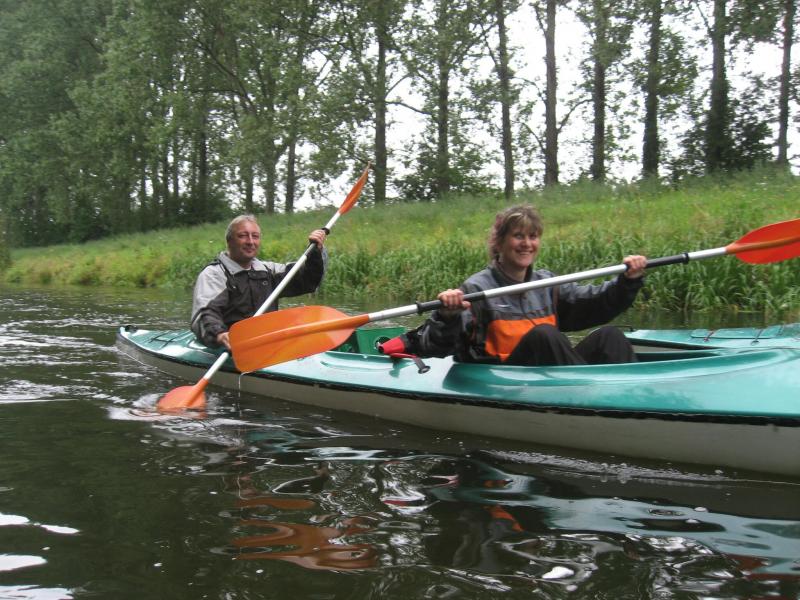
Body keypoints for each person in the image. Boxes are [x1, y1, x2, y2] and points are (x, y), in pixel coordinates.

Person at [411, 205, 647, 366]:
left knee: (610, 336)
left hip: (547, 377)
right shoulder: (476, 289)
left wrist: (628, 281)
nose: (527, 244)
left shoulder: (548, 284)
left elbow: (597, 303)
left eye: (532, 236)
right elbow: (437, 346)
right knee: (545, 335)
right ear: (499, 243)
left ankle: (635, 400)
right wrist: (448, 317)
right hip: (502, 378)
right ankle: (586, 399)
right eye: (518, 236)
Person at [191, 214, 327, 349]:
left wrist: (315, 252)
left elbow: (308, 280)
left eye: (255, 236)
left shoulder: (269, 271)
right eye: (242, 236)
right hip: (229, 347)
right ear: (229, 241)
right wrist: (219, 334)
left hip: (266, 345)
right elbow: (205, 313)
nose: (250, 242)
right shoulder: (214, 274)